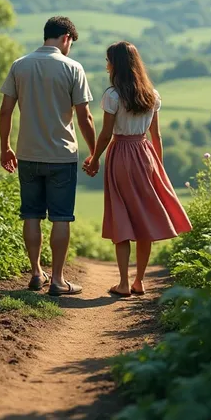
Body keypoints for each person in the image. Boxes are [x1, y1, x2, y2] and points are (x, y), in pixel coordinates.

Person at [84, 41, 192, 297]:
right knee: (144, 217)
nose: (106, 64)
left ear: (117, 64)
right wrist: (159, 167)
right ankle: (139, 281)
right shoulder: (152, 95)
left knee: (121, 216)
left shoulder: (112, 95)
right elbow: (157, 136)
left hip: (120, 155)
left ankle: (123, 282)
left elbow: (107, 134)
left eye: (108, 60)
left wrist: (94, 158)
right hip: (145, 156)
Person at [0, 16, 96, 296]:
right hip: (62, 156)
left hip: (27, 153)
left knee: (31, 214)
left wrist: (5, 147)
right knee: (61, 218)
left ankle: (35, 273)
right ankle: (57, 280)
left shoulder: (20, 65)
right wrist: (93, 151)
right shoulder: (73, 68)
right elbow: (84, 116)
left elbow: (5, 111)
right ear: (66, 38)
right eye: (71, 44)